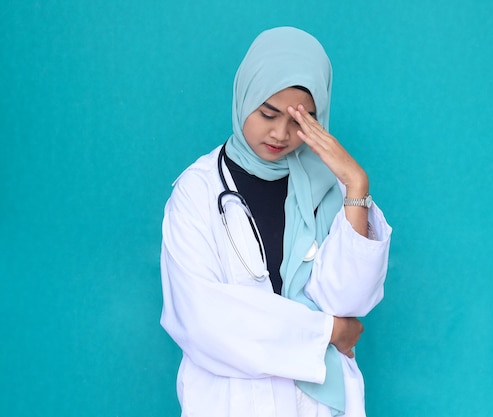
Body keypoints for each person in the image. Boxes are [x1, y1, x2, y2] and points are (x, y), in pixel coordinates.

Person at [160, 26, 392, 417]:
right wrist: (326, 332)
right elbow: (203, 320)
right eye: (268, 113)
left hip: (318, 404)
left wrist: (356, 184)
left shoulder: (329, 188)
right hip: (230, 403)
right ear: (244, 96)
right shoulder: (196, 191)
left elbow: (349, 302)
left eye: (301, 120)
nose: (280, 134)